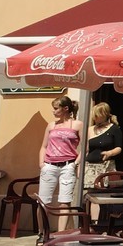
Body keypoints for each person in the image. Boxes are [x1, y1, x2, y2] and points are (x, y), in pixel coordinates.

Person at [38, 95, 82, 231]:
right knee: (43, 202)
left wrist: (75, 164)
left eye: (56, 108)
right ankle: (42, 233)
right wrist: (41, 164)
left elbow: (86, 147)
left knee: (65, 202)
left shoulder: (77, 124)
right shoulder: (51, 125)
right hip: (49, 165)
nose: (54, 111)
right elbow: (44, 146)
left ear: (66, 108)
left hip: (68, 165)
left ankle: (60, 234)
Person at [84, 102, 123, 187]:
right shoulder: (90, 129)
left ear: (104, 115)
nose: (94, 118)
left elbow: (118, 148)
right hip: (89, 168)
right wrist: (79, 164)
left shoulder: (114, 129)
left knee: (103, 190)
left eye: (97, 115)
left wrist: (110, 153)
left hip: (106, 166)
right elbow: (86, 149)